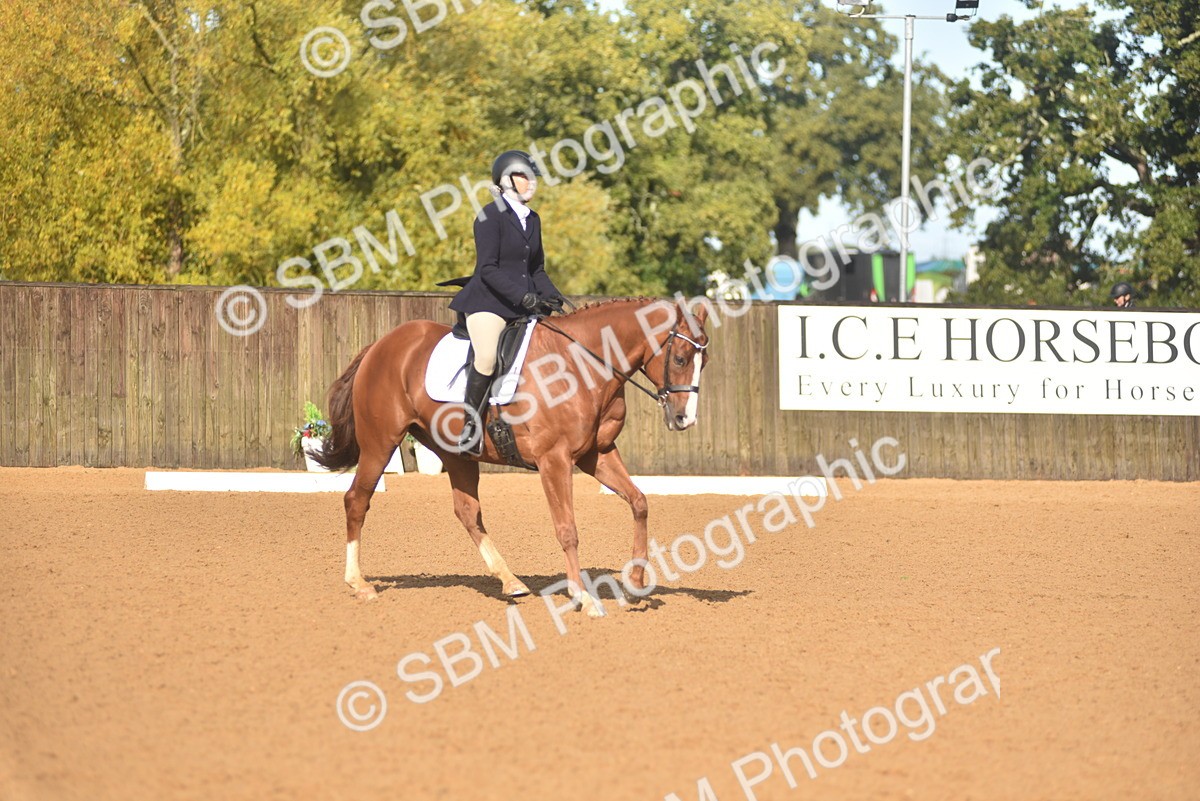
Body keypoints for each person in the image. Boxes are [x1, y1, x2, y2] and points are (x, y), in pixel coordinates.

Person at [448, 150, 566, 453]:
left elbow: (536, 268)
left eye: (533, 176)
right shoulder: (489, 216)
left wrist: (554, 297)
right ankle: (470, 428)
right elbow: (487, 269)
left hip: (523, 305)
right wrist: (523, 296)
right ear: (506, 180)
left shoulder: (533, 219)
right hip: (488, 303)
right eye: (524, 176)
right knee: (486, 357)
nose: (532, 182)